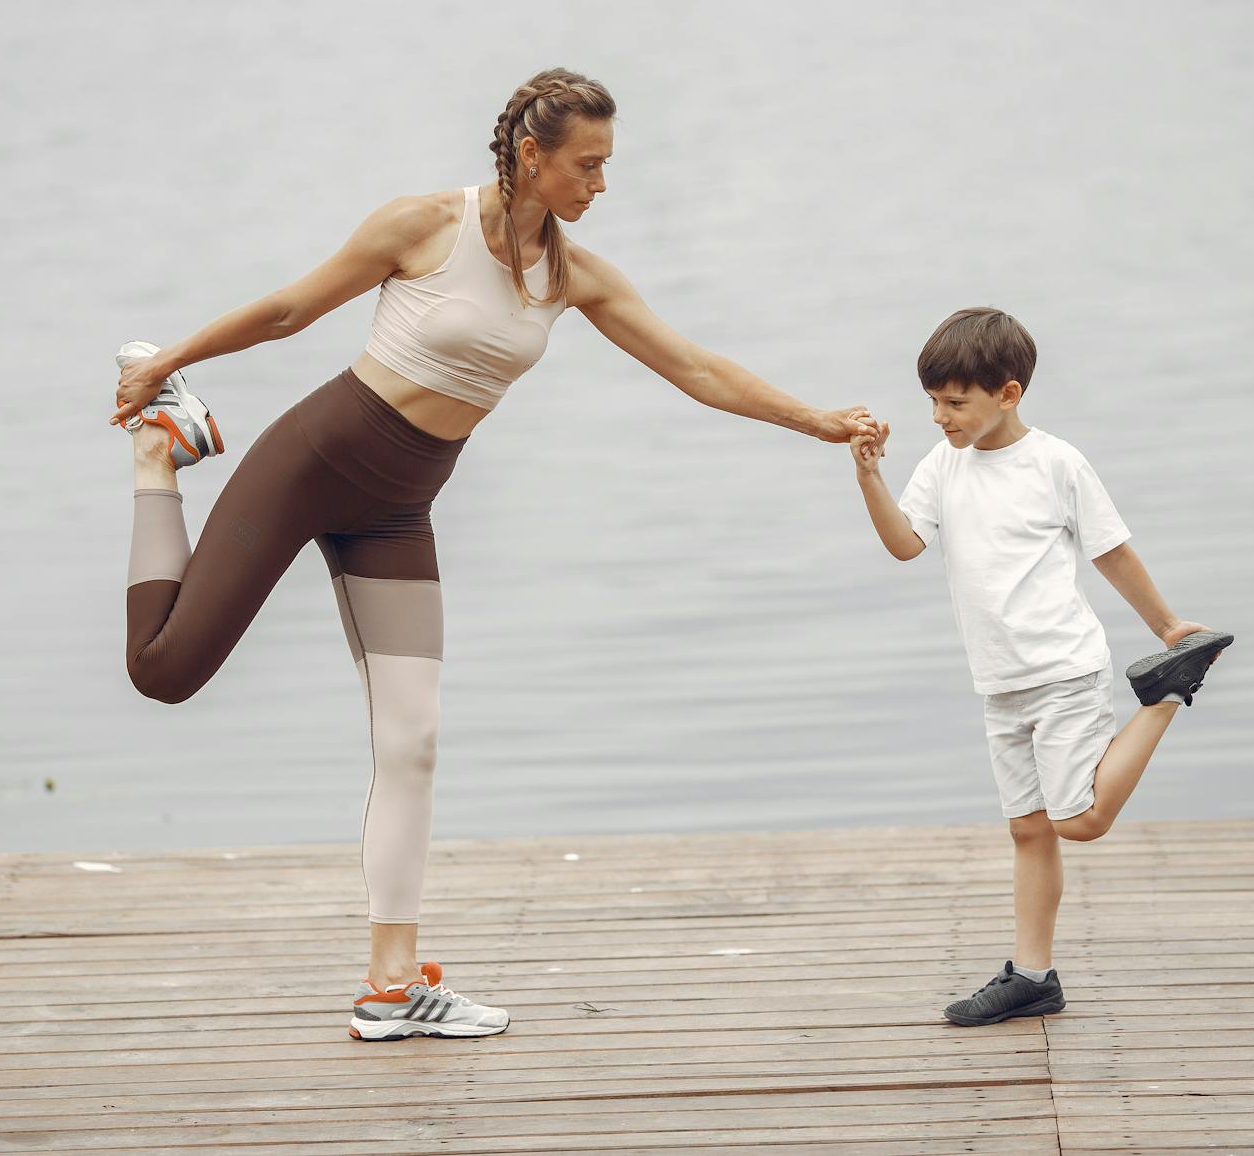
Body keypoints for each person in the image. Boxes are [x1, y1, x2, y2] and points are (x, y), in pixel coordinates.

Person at [108, 68, 879, 1042]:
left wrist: (814, 419)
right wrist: (167, 364)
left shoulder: (575, 275)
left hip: (398, 508)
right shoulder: (422, 225)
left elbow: (694, 366)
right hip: (313, 459)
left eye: (606, 166)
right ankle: (158, 453)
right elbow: (286, 310)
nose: (600, 185)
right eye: (586, 165)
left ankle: (391, 985)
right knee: (163, 671)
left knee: (413, 741)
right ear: (530, 156)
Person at [847, 306, 1233, 1026]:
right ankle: (1033, 974)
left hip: (1063, 668)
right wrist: (869, 476)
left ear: (1009, 393)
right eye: (933, 400)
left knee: (1080, 818)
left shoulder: (1056, 462)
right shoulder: (942, 465)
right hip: (999, 681)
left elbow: (1110, 549)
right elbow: (905, 544)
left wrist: (1167, 625)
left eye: (955, 401)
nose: (939, 416)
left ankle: (1166, 692)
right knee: (1030, 830)